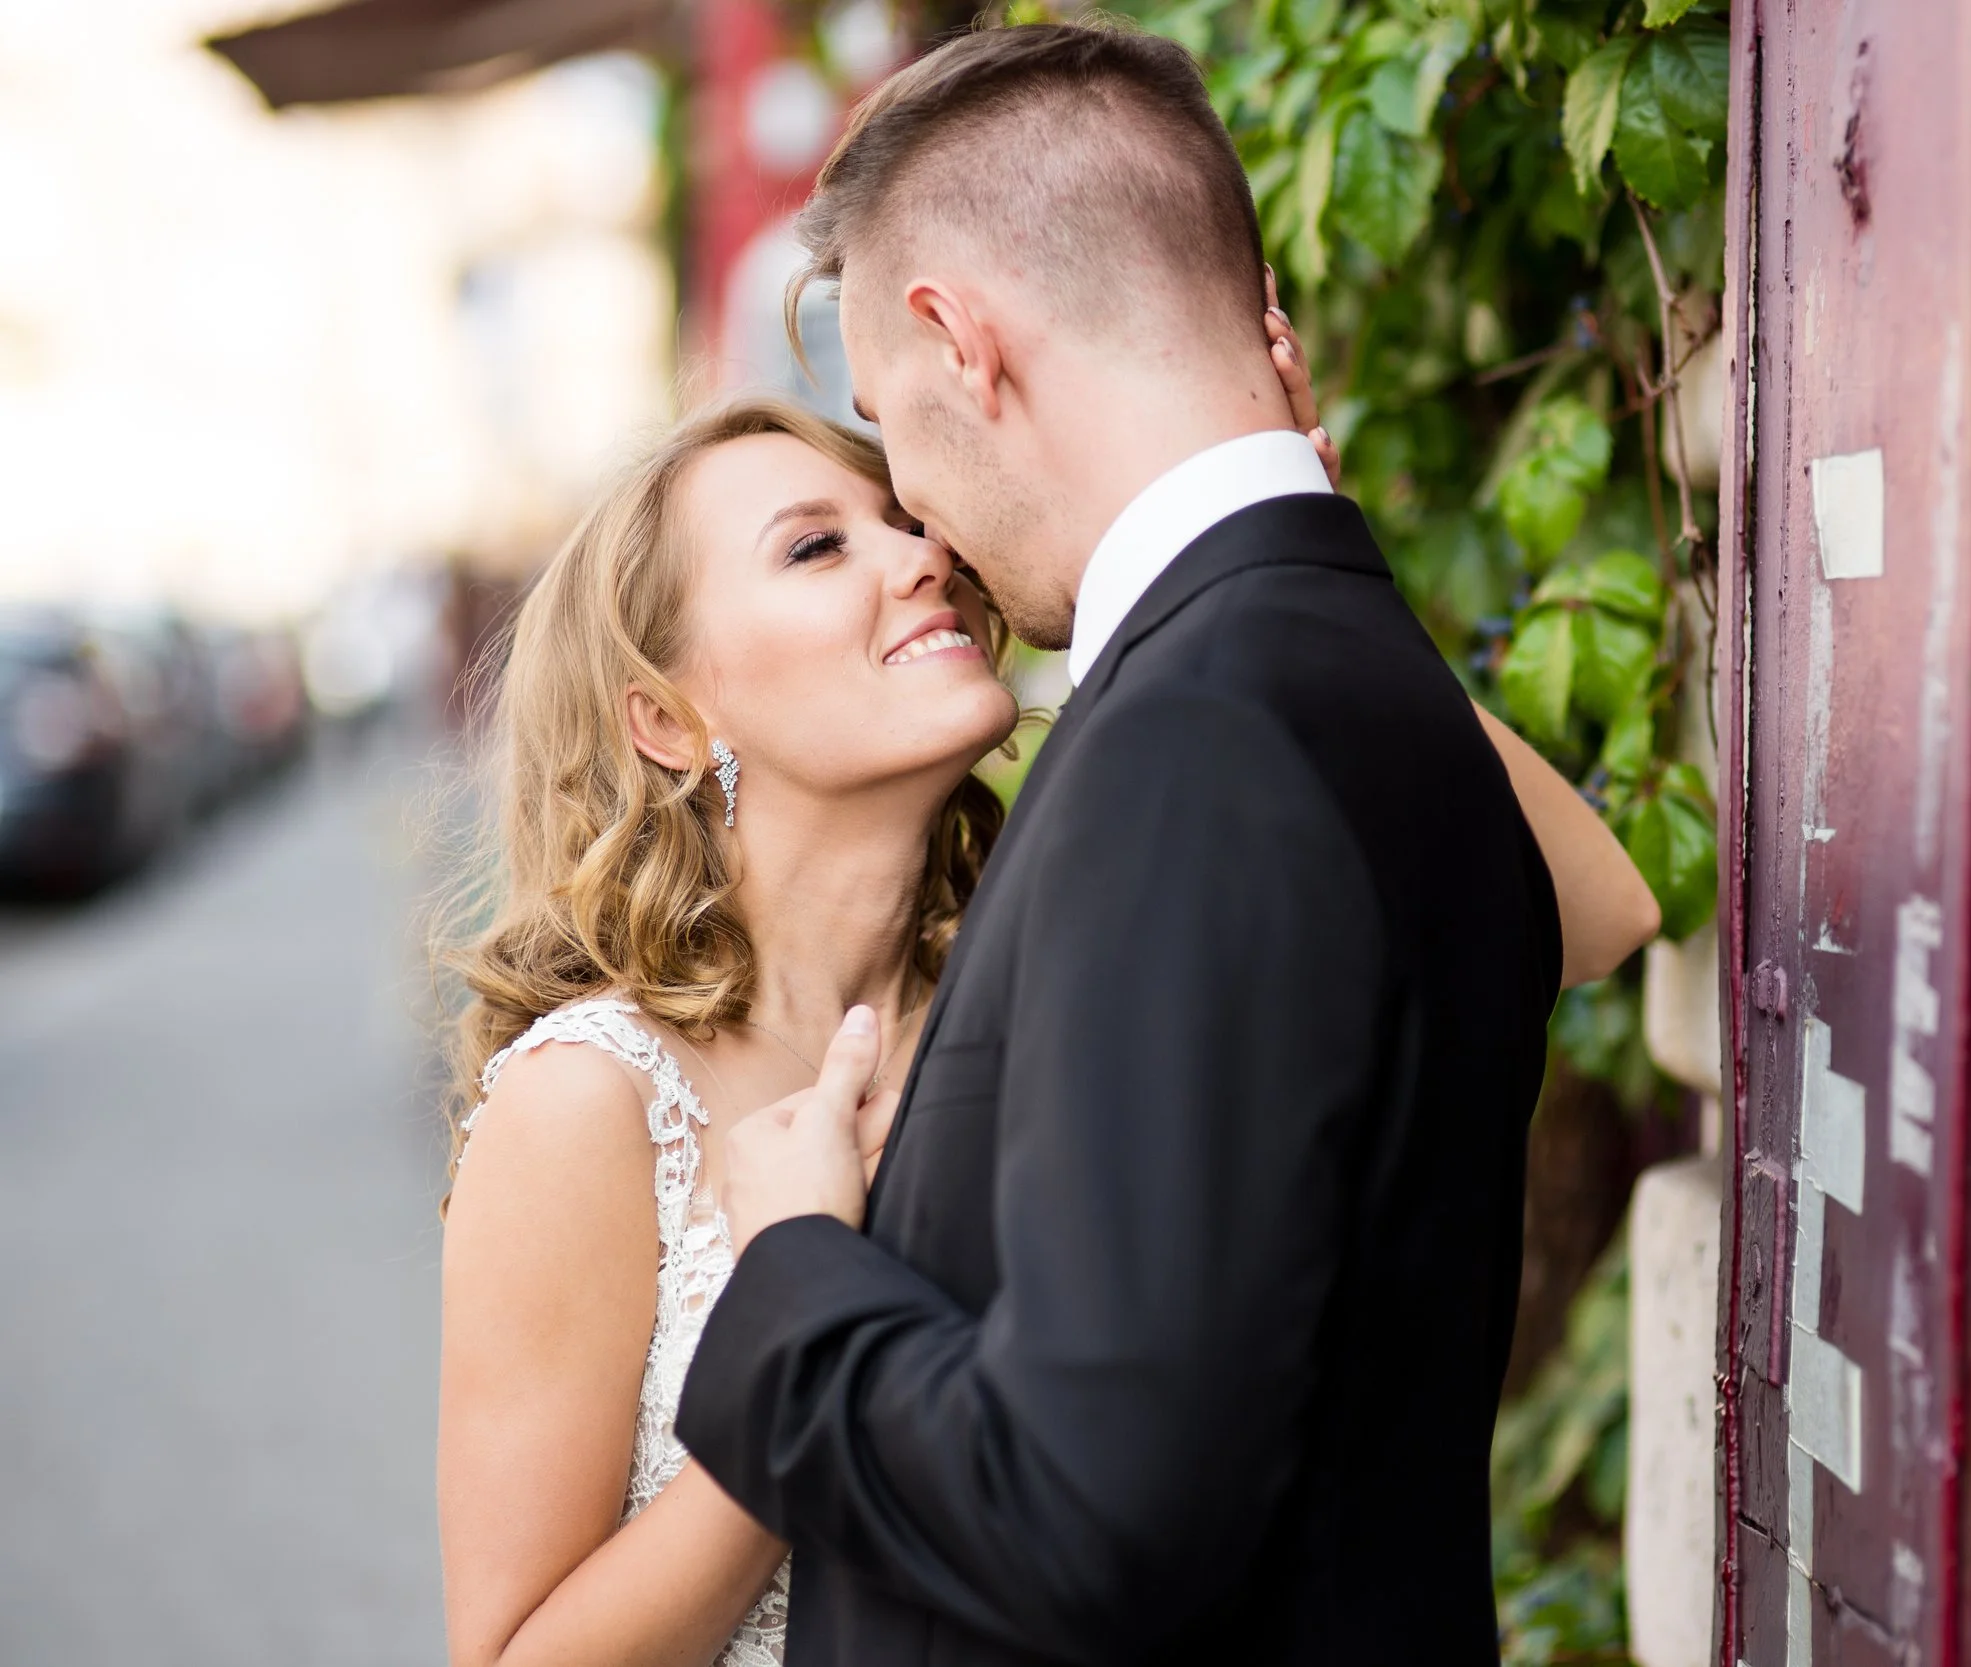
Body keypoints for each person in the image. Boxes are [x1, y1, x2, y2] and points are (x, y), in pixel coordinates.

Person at [436, 224, 1654, 1667]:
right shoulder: (591, 1100)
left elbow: (1598, 910)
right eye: (819, 547)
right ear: (669, 717)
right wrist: (798, 1300)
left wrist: (1286, 562)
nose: (917, 561)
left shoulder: (1086, 902)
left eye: (903, 518)